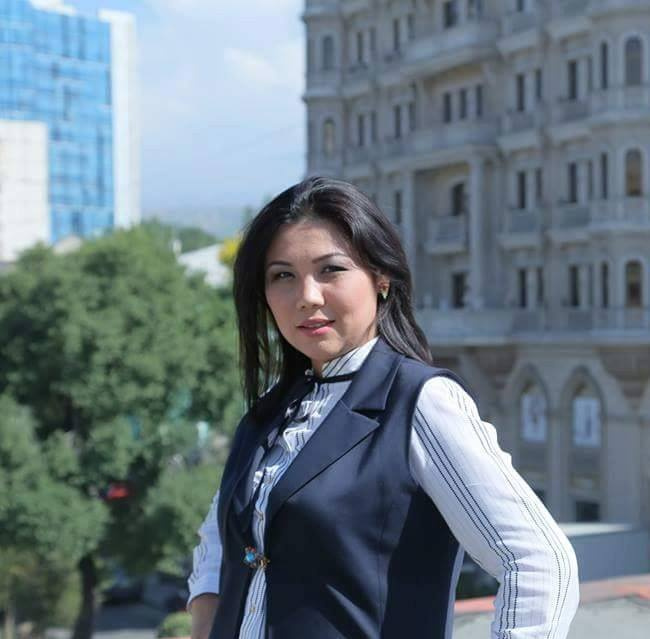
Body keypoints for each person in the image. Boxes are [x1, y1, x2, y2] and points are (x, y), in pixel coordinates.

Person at [187, 177, 580, 639]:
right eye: (283, 275)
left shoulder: (420, 403)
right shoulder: (273, 411)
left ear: (381, 277)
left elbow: (539, 561)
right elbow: (221, 539)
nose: (307, 296)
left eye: (330, 270)